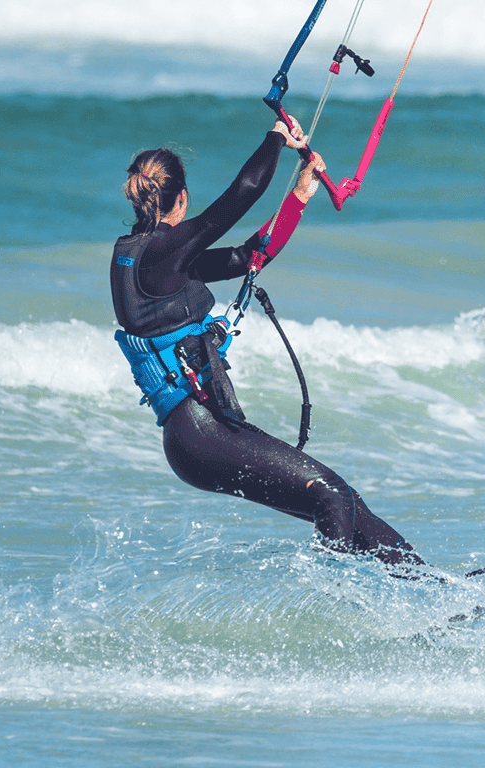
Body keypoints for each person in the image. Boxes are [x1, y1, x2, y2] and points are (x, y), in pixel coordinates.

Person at [111, 114, 425, 569]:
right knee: (332, 498)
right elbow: (245, 191)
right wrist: (276, 137)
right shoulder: (161, 253)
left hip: (197, 433)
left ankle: (429, 589)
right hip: (200, 430)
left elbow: (248, 256)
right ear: (181, 197)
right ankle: (335, 610)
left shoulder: (151, 261)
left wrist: (297, 197)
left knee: (344, 500)